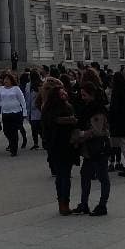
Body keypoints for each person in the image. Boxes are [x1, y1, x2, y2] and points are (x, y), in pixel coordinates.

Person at [73, 81, 110, 216]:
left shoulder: (98, 109)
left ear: (91, 95)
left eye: (84, 95)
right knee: (85, 174)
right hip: (90, 149)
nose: (82, 97)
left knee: (102, 176)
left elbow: (97, 130)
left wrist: (81, 135)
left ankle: (102, 205)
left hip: (99, 147)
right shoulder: (88, 107)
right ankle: (84, 204)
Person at [41, 82, 78, 215]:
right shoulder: (60, 109)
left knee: (62, 176)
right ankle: (64, 203)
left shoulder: (49, 109)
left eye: (65, 92)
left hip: (59, 147)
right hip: (62, 146)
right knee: (64, 176)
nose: (65, 94)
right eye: (61, 93)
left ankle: (62, 203)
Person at [0, 72, 27, 156]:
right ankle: (12, 142)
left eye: (8, 79)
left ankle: (14, 149)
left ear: (11, 80)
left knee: (14, 131)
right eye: (5, 79)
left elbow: (22, 100)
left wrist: (24, 112)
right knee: (6, 131)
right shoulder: (1, 89)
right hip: (5, 113)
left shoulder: (16, 89)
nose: (6, 81)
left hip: (15, 113)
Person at [25, 70, 43, 149]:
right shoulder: (28, 85)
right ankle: (35, 143)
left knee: (39, 127)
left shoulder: (40, 85)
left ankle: (44, 141)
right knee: (33, 128)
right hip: (30, 110)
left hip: (38, 109)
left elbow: (42, 97)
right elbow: (26, 97)